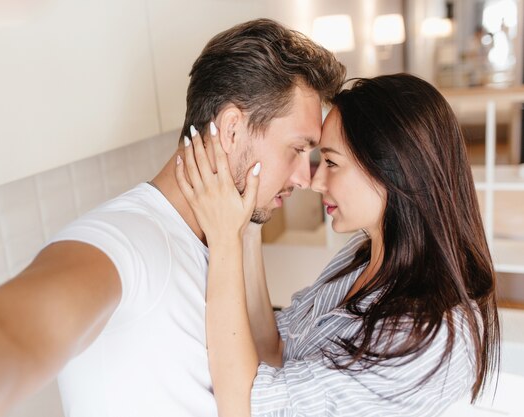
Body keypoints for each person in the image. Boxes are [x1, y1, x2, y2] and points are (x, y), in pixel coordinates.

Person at [0, 19, 346, 417]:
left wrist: (246, 228)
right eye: (296, 149)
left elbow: (263, 374)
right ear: (231, 130)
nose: (305, 177)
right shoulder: (125, 242)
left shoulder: (221, 240)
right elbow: (2, 340)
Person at [176, 73, 500, 416]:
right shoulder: (365, 256)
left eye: (331, 162)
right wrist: (248, 224)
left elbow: (246, 408)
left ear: (392, 170)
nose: (314, 181)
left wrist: (225, 242)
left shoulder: (431, 336)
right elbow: (274, 349)